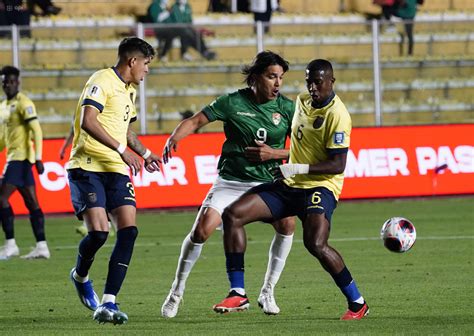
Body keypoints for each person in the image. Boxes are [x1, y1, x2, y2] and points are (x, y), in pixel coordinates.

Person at [213, 59, 369, 320]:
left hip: (320, 186)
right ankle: (238, 292)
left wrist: (295, 168)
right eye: (309, 81)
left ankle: (357, 302)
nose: (312, 87)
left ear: (331, 81)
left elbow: (337, 164)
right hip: (290, 184)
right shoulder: (301, 102)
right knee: (232, 215)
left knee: (316, 244)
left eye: (318, 82)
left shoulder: (337, 115)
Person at [161, 50, 296, 318]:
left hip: (268, 183)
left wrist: (275, 154)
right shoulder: (232, 102)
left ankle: (268, 290)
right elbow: (197, 120)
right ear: (255, 78)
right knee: (201, 230)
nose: (278, 83)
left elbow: (306, 151)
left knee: (288, 224)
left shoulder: (288, 109)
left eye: (281, 77)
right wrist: (175, 137)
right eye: (272, 77)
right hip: (231, 182)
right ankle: (176, 292)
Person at [67, 37, 161, 325]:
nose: (146, 70)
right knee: (98, 233)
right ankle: (80, 275)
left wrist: (144, 153)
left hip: (116, 170)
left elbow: (126, 133)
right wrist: (122, 151)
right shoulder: (102, 80)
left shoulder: (128, 90)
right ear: (132, 61)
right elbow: (88, 120)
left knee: (129, 231)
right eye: (145, 64)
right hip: (87, 166)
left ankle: (109, 302)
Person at [0, 65, 50, 260]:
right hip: (14, 158)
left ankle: (10, 245)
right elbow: (5, 138)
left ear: (18, 82)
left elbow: (36, 130)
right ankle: (42, 246)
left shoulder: (24, 103)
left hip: (21, 159)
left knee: (1, 199)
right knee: (32, 203)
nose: (8, 85)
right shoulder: (3, 106)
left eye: (12, 81)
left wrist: (38, 157)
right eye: (5, 81)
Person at [58, 125, 117, 238]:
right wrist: (64, 147)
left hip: (102, 156)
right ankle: (95, 225)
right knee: (92, 195)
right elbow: (73, 131)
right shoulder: (79, 112)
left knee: (101, 193)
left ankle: (106, 225)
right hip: (84, 158)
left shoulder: (98, 110)